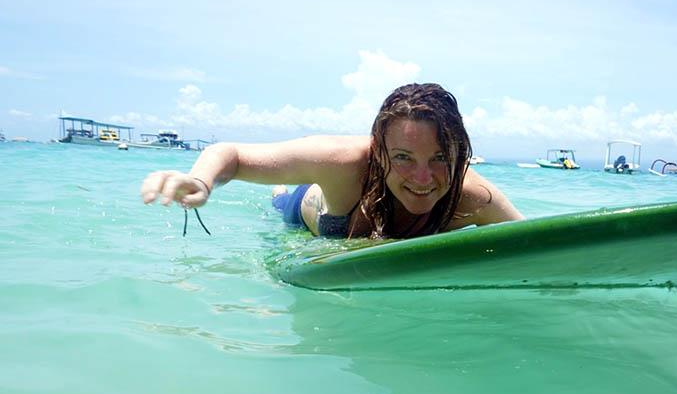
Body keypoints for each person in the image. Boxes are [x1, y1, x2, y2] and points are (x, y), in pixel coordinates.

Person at [141, 83, 524, 238]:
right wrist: (202, 182)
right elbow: (233, 155)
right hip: (305, 209)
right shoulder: (342, 161)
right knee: (279, 203)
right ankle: (279, 194)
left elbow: (540, 245)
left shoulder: (474, 196)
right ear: (378, 151)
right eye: (403, 157)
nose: (423, 177)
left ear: (460, 154)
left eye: (440, 157)